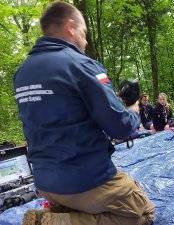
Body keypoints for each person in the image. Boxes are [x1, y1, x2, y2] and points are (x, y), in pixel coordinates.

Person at [14, 2, 154, 225]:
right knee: (141, 212)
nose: (86, 40)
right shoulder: (80, 64)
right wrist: (132, 110)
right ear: (71, 26)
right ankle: (51, 222)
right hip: (83, 180)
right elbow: (120, 127)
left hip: (44, 182)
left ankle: (60, 211)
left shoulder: (23, 71)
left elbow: (60, 113)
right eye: (84, 32)